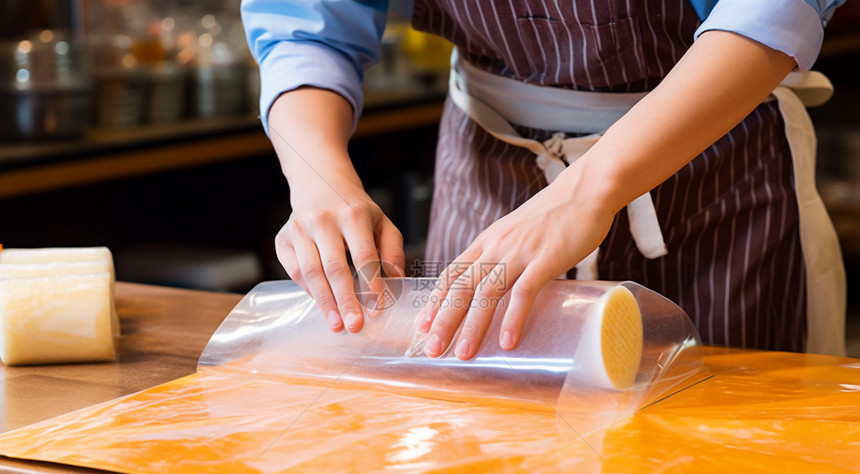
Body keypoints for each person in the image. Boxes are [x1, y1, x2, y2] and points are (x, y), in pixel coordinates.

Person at [241, 0, 847, 358]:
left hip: (712, 169)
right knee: (483, 462)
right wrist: (319, 176)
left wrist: (589, 189)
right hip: (486, 167)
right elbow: (306, 24)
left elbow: (774, 10)